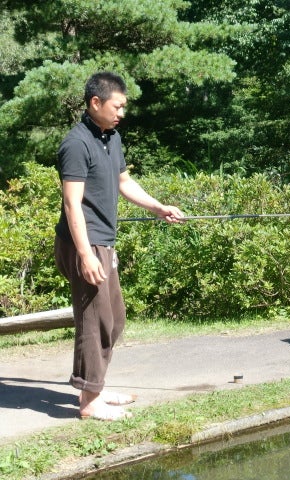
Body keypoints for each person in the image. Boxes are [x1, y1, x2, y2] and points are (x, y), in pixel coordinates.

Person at [54, 71, 185, 421]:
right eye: (118, 105)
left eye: (124, 106)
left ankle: (94, 388)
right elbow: (72, 205)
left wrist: (157, 207)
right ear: (95, 103)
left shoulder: (110, 137)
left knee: (114, 320)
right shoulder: (76, 143)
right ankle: (89, 402)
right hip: (85, 243)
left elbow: (123, 180)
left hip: (103, 243)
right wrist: (84, 254)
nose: (122, 112)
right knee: (94, 320)